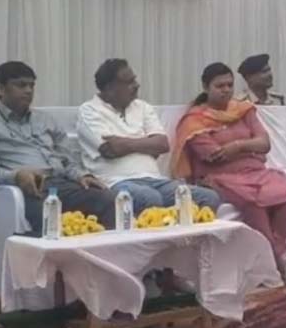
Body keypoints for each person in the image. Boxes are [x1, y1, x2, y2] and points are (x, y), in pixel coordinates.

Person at [171, 63, 286, 285]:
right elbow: (212, 155)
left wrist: (236, 146)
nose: (226, 90)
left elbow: (264, 143)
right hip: (219, 177)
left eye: (229, 85)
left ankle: (269, 257)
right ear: (206, 87)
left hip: (256, 172)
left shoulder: (243, 110)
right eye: (219, 86)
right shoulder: (194, 120)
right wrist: (249, 146)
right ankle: (282, 264)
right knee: (254, 204)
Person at [0, 62, 116, 235]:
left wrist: (82, 176)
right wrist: (16, 176)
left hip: (61, 183)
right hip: (26, 189)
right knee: (49, 218)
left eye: (31, 85)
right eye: (21, 85)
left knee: (107, 198)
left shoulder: (45, 119)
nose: (28, 90)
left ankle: (102, 253)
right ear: (1, 89)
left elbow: (67, 160)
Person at [76, 59, 220, 215]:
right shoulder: (89, 110)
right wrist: (146, 143)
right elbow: (110, 149)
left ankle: (179, 231)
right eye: (129, 82)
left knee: (208, 197)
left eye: (135, 79)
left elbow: (162, 144)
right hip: (116, 182)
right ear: (110, 88)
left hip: (156, 180)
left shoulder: (143, 107)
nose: (136, 85)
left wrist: (123, 143)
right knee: (149, 198)